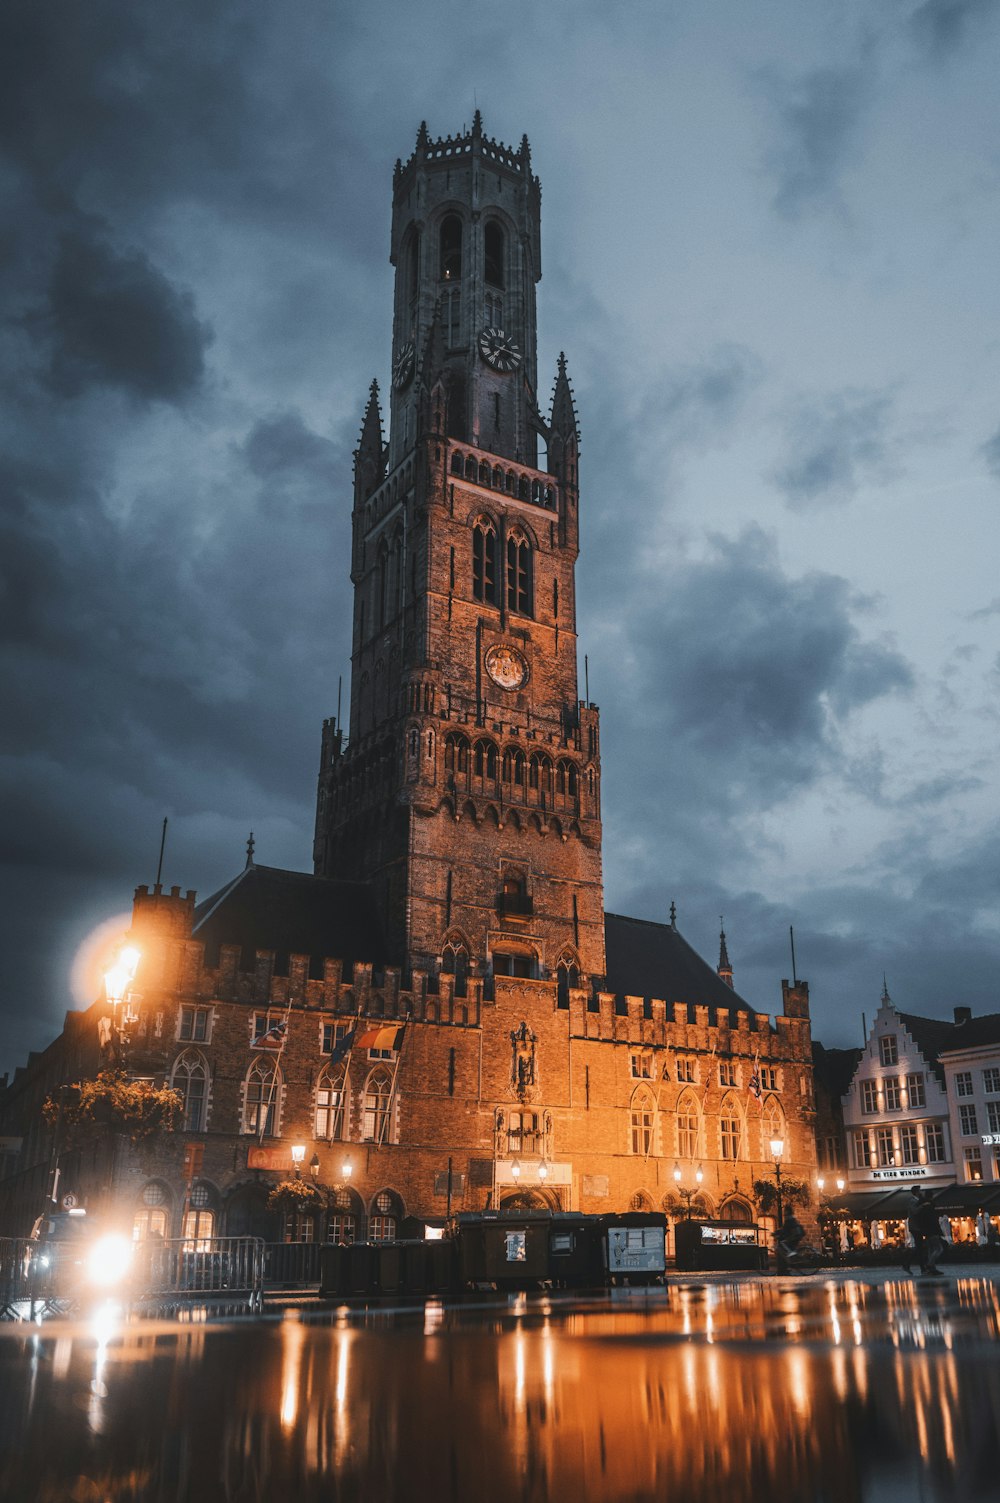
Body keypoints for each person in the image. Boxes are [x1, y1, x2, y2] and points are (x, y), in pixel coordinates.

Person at [915, 1191, 945, 1276]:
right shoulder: (930, 1207)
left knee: (931, 1250)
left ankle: (932, 1268)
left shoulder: (922, 1207)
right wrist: (938, 1230)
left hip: (926, 1231)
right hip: (933, 1230)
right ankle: (930, 1264)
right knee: (939, 1249)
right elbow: (933, 1220)